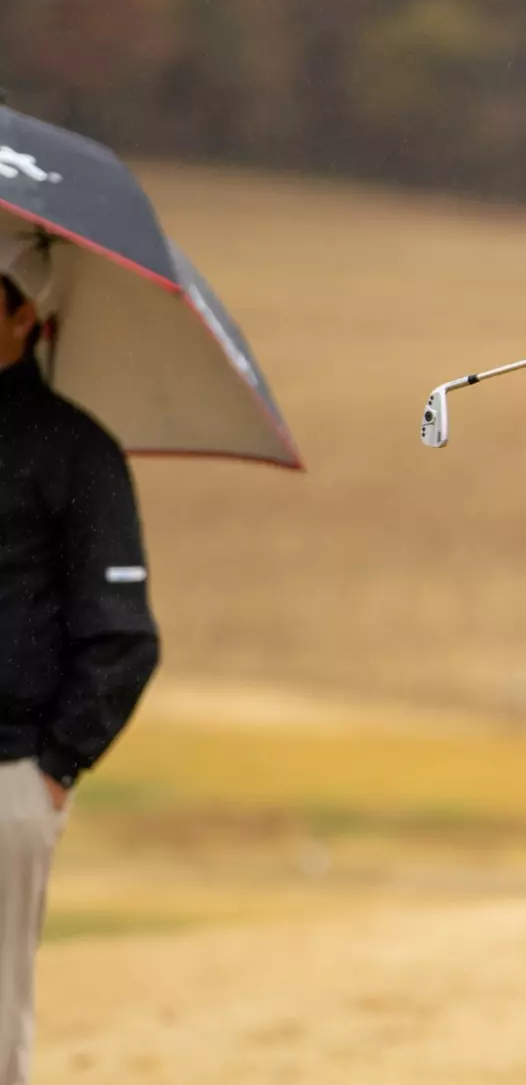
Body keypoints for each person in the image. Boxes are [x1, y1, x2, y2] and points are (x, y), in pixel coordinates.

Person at [0, 236, 160, 1085]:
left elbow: (124, 638)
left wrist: (53, 765)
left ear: (27, 316)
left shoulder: (77, 452)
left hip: (9, 773)